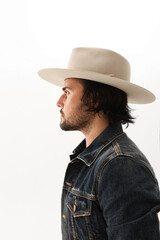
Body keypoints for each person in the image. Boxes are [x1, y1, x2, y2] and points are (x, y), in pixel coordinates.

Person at [38, 47, 160, 239]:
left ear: (94, 99)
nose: (59, 102)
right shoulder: (89, 160)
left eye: (67, 92)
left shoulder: (120, 165)